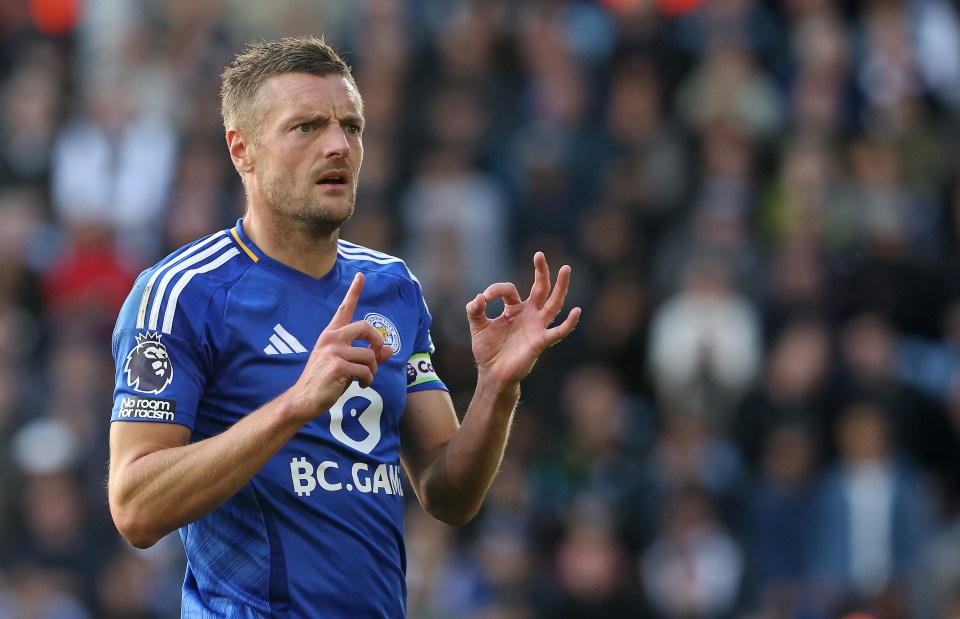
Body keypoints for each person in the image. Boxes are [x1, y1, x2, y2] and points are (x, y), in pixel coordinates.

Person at [106, 36, 580, 618]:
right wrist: (295, 404)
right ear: (242, 150)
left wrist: (496, 387)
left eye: (351, 127)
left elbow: (446, 493)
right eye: (306, 127)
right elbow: (134, 506)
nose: (339, 146)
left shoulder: (393, 287)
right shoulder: (181, 293)